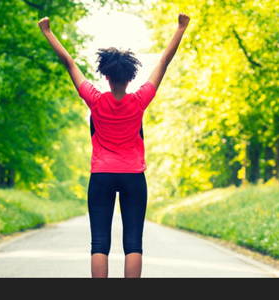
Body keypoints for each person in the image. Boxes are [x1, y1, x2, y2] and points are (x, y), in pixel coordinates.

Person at [38, 13, 190, 278]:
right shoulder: (139, 100)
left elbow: (70, 64)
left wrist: (48, 32)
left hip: (102, 176)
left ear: (106, 77)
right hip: (133, 176)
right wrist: (181, 28)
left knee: (99, 242)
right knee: (133, 242)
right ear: (130, 77)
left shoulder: (95, 100)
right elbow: (163, 62)